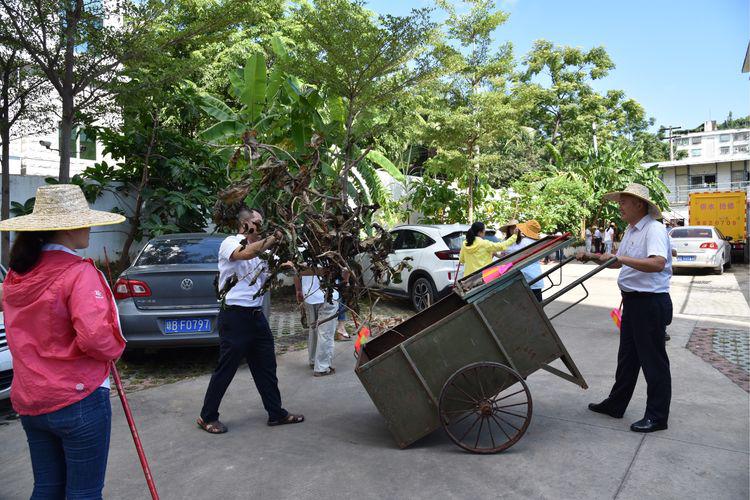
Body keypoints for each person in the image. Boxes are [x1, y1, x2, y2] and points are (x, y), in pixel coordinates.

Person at [0, 184, 126, 499]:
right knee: (83, 492)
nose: (89, 226)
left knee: (47, 488)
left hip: (31, 400)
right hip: (77, 398)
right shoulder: (77, 273)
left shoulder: (16, 276)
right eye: (84, 219)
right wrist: (116, 349)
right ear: (68, 227)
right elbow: (97, 338)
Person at [576, 183, 673, 433]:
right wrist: (592, 257)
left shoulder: (654, 229)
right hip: (633, 301)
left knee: (653, 362)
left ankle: (657, 416)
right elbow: (620, 264)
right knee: (627, 358)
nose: (619, 207)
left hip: (650, 302)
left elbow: (657, 263)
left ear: (639, 204)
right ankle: (616, 404)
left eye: (623, 202)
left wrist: (619, 258)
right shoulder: (631, 230)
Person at [198, 206, 303, 433]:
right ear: (245, 225)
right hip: (235, 316)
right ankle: (207, 416)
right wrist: (273, 238)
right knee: (227, 368)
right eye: (258, 222)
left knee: (266, 366)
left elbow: (283, 265)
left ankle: (276, 413)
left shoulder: (264, 252)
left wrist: (294, 261)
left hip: (257, 317)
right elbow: (245, 253)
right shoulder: (230, 242)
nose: (262, 226)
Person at [295, 269, 341, 376]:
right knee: (326, 332)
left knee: (314, 329)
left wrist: (298, 290)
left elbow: (295, 270)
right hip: (328, 295)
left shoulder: (302, 252)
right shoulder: (332, 252)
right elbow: (344, 268)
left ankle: (313, 360)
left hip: (309, 295)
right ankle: (322, 367)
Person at [504, 220, 544, 301]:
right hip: (532, 277)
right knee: (536, 305)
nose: (513, 230)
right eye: (511, 228)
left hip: (528, 277)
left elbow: (509, 252)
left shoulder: (525, 242)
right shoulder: (534, 242)